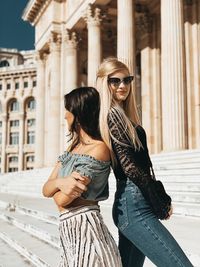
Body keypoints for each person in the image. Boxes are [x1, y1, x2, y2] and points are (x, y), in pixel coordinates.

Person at [95, 57, 193, 267]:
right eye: (115, 81)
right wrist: (157, 196)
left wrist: (156, 194)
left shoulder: (124, 116)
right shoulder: (112, 116)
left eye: (127, 80)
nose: (123, 86)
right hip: (134, 203)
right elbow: (130, 167)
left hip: (133, 202)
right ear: (105, 83)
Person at [42, 87, 122, 267]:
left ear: (78, 113)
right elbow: (45, 189)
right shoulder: (72, 148)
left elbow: (62, 200)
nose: (64, 115)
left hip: (88, 230)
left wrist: (56, 186)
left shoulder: (99, 149)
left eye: (68, 110)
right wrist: (61, 182)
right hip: (69, 233)